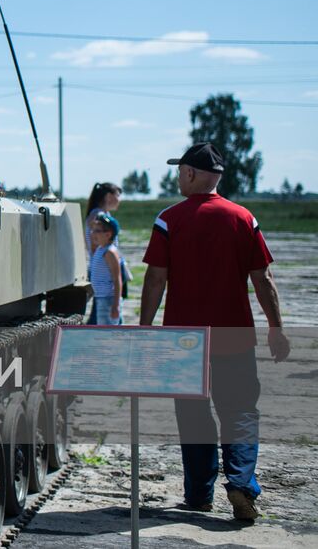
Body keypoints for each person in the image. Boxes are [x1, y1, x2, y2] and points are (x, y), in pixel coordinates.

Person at [139, 142, 289, 522]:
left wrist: (145, 327)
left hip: (182, 340)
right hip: (234, 336)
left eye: (179, 171)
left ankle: (199, 495)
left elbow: (156, 278)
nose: (176, 177)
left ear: (190, 173)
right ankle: (240, 482)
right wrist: (276, 327)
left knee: (193, 416)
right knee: (239, 412)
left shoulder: (169, 219)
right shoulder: (242, 218)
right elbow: (262, 279)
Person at [85, 181, 128, 297]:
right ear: (109, 196)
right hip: (105, 268)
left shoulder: (101, 214)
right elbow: (95, 244)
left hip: (104, 267)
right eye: (118, 195)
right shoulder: (98, 215)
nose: (119, 200)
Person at [86, 210, 123, 325]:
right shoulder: (100, 249)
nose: (93, 234)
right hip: (101, 298)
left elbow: (117, 280)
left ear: (108, 234)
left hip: (108, 300)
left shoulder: (109, 252)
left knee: (107, 333)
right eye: (93, 230)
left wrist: (115, 305)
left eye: (97, 231)